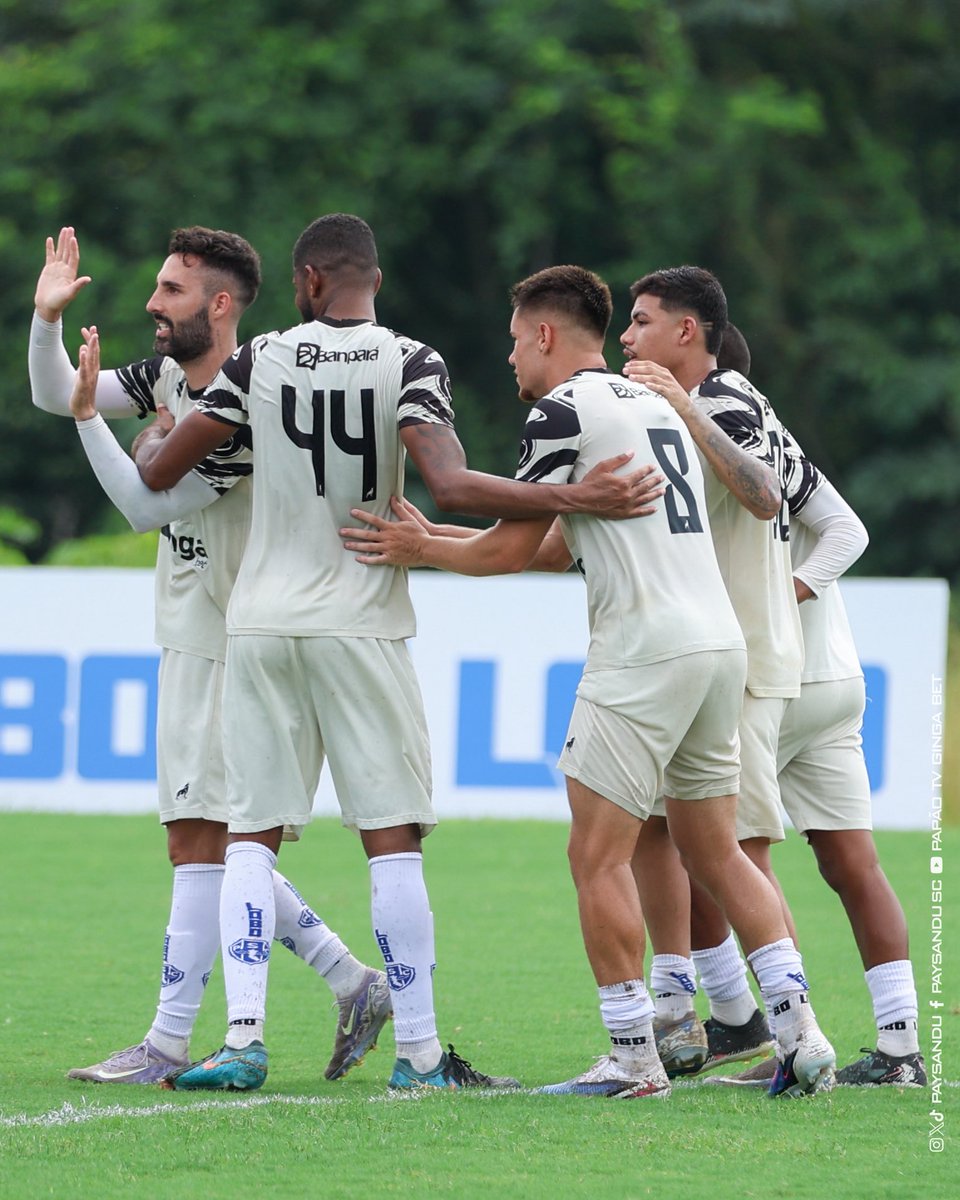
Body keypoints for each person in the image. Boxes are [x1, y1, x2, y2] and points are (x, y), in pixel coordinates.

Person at [130, 214, 662, 1092]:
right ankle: (417, 1055)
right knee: (391, 842)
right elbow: (450, 486)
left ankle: (243, 1043)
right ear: (369, 282)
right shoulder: (411, 360)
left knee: (251, 838)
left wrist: (153, 430)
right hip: (362, 616)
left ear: (306, 282)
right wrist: (583, 497)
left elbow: (160, 474)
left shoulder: (256, 358)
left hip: (258, 623)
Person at [341, 264, 836, 1099]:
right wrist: (438, 545)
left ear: (542, 334)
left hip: (642, 650)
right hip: (719, 646)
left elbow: (509, 550)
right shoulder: (656, 403)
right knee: (715, 851)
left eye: (511, 342)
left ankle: (634, 1059)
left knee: (594, 854)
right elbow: (559, 543)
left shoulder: (561, 410)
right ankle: (804, 1036)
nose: (508, 360)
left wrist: (428, 548)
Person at [29, 226, 391, 1085]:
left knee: (203, 842)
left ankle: (165, 1043)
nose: (152, 305)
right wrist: (45, 322)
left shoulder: (247, 404)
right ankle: (353, 981)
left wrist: (99, 427)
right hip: (194, 635)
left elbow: (143, 505)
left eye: (171, 291)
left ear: (220, 306)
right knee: (217, 845)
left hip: (239, 643)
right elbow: (57, 394)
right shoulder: (163, 378)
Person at [704, 327, 925, 1089]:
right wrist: (797, 589)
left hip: (773, 682)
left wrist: (778, 597)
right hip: (836, 677)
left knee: (731, 855)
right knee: (853, 865)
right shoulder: (783, 448)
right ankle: (901, 1050)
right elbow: (849, 530)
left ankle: (790, 1041)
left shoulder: (712, 438)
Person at [620, 271, 813, 1077]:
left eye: (641, 323)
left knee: (739, 855)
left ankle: (796, 1034)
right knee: (662, 831)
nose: (627, 339)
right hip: (716, 654)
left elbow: (772, 498)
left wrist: (680, 404)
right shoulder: (733, 403)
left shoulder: (724, 400)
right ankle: (701, 1011)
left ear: (687, 333)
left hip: (739, 659)